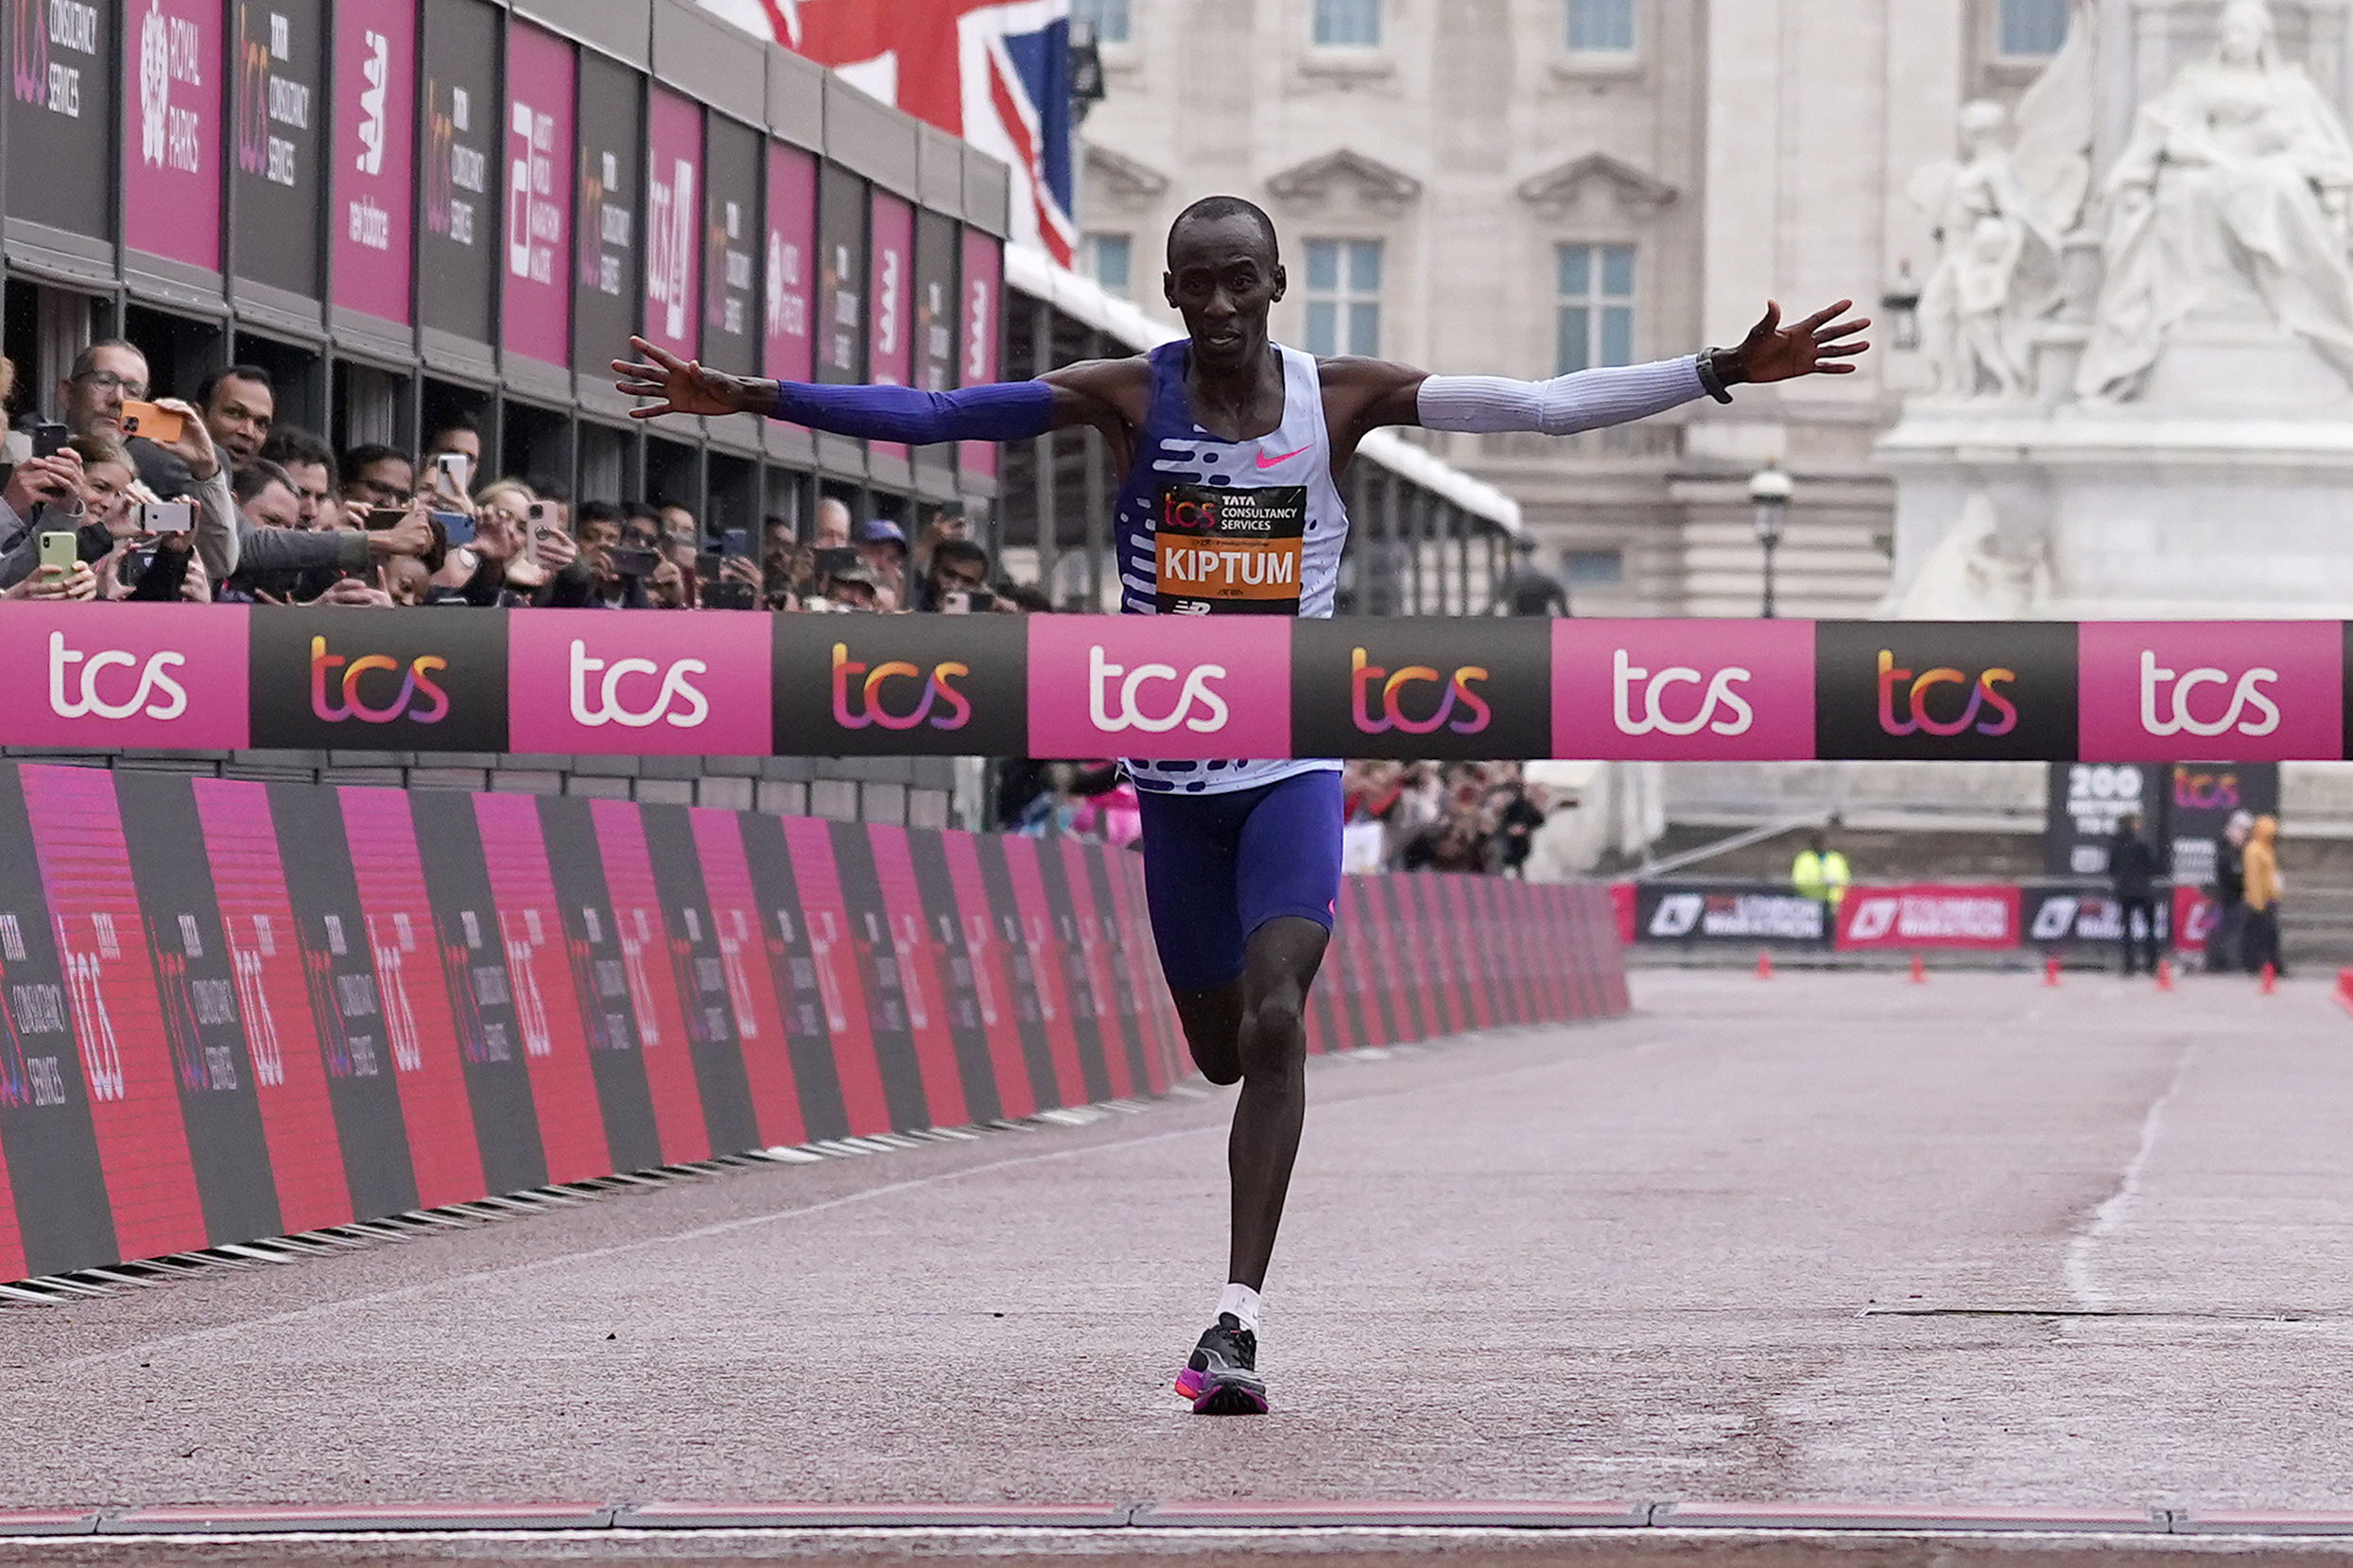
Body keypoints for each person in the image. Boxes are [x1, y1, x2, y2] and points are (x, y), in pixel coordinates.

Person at [614, 192, 1867, 1415]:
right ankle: (1234, 1166)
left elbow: (1534, 407)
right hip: (1170, 785)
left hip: (1290, 765)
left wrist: (1715, 370)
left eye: (1239, 279)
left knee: (1276, 1019)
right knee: (1218, 1046)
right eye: (1195, 281)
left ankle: (1235, 1316)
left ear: (1275, 288)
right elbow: (943, 414)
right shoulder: (1126, 397)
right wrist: (755, 396)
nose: (1218, 301)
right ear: (1171, 294)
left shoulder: (1342, 399)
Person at [2109, 811, 2162, 977]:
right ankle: (2151, 964)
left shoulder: (2115, 844)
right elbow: (2153, 867)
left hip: (2124, 891)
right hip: (2144, 890)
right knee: (2150, 928)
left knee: (2126, 929)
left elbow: (2111, 868)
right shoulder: (2142, 844)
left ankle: (2128, 966)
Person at [2206, 811, 2254, 974]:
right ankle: (2221, 962)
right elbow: (2230, 873)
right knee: (2223, 931)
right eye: (2244, 832)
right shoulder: (2226, 851)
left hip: (2235, 898)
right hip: (2227, 897)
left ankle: (2229, 961)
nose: (2246, 836)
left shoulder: (2242, 851)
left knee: (2233, 932)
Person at [1791, 830, 1851, 950]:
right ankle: (1808, 961)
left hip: (1830, 902)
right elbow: (1798, 880)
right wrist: (1816, 885)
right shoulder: (1804, 859)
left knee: (1830, 934)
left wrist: (1837, 898)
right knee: (1809, 934)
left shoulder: (1836, 859)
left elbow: (1844, 879)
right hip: (1810, 902)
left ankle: (1830, 961)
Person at [2242, 814, 2284, 977]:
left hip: (2269, 899)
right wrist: (2257, 902)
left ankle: (2271, 964)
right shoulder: (2254, 850)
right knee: (2258, 935)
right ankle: (2255, 964)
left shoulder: (2267, 849)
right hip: (2258, 902)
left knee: (2270, 935)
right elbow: (2253, 878)